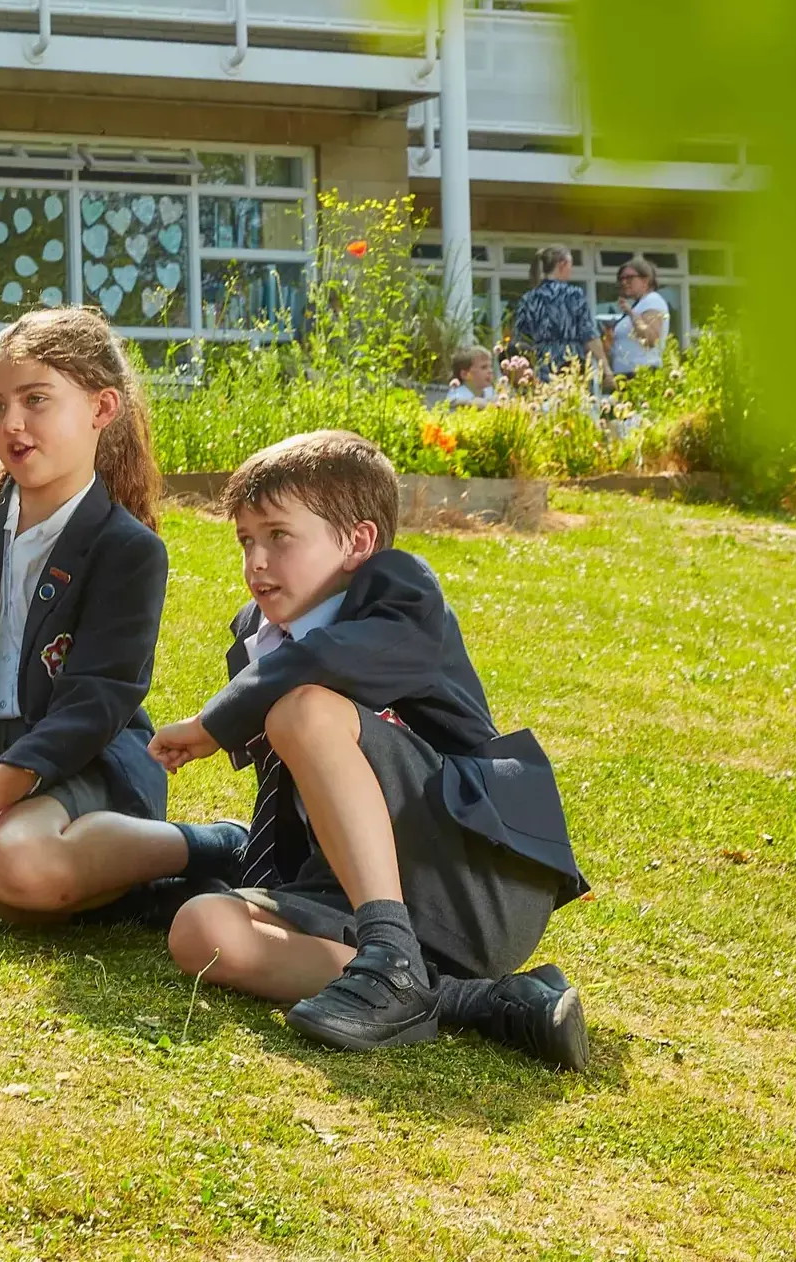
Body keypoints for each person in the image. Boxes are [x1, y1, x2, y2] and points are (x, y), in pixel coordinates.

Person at [150, 430, 592, 1068]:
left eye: (279, 536)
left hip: (472, 879)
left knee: (303, 708)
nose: (257, 561)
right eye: (246, 540)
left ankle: (391, 955)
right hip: (354, 890)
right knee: (202, 932)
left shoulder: (401, 594)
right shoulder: (260, 639)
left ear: (357, 542)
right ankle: (462, 1000)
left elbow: (321, 661)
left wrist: (214, 723)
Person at [0, 307, 244, 925]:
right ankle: (93, 892)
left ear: (102, 408)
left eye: (37, 400)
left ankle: (206, 846)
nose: (13, 423)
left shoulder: (128, 550)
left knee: (17, 856)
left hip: (84, 762)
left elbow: (97, 701)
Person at [509, 245, 605, 385]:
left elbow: (520, 338)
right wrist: (605, 367)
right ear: (562, 264)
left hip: (541, 362)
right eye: (571, 265)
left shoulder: (529, 298)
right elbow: (589, 335)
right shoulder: (574, 294)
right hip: (571, 360)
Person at [606, 256, 670, 380]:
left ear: (645, 280)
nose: (624, 282)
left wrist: (631, 313)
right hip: (625, 375)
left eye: (629, 278)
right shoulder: (638, 305)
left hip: (644, 375)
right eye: (621, 279)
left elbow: (650, 339)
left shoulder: (653, 300)